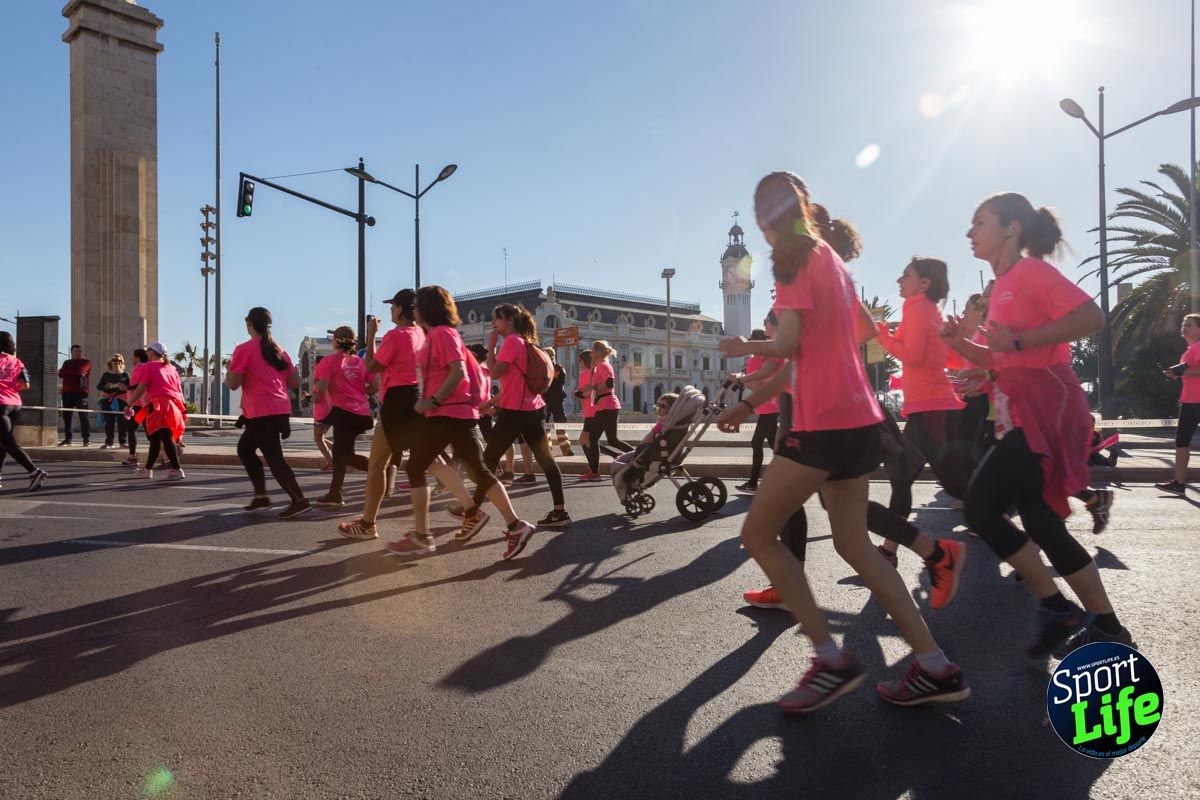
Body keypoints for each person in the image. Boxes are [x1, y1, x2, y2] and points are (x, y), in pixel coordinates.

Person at [718, 171, 969, 712]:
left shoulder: (790, 259)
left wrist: (744, 344)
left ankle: (830, 659)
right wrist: (754, 395)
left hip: (820, 423)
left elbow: (787, 343)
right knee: (854, 544)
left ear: (766, 217)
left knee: (758, 535)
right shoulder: (831, 261)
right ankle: (935, 666)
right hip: (860, 418)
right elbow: (841, 339)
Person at [740, 197, 964, 614]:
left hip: (815, 403)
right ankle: (932, 556)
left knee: (800, 504)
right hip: (821, 400)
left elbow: (827, 339)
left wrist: (803, 357)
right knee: (840, 509)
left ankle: (793, 590)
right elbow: (851, 332)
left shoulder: (813, 273)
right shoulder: (824, 275)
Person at [942, 191, 1133, 653]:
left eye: (980, 222)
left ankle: (1059, 609)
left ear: (1012, 228)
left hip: (1048, 407)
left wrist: (1020, 342)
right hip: (1024, 408)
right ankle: (1101, 623)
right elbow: (1004, 356)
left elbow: (1092, 317)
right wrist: (973, 361)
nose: (970, 232)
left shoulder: (1029, 272)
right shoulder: (1004, 285)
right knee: (1041, 524)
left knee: (981, 509)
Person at [389, 286, 536, 560]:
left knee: (417, 466)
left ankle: (422, 536)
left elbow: (457, 372)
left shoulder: (443, 334)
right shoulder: (438, 334)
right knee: (479, 471)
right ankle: (515, 526)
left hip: (447, 413)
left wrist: (431, 401)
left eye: (419, 304)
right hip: (456, 414)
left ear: (429, 307)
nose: (415, 309)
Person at [872, 257, 967, 562]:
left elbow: (911, 355)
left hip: (932, 411)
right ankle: (889, 550)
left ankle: (1021, 544)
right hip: (928, 408)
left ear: (923, 283)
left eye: (906, 275)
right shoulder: (928, 310)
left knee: (955, 484)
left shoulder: (918, 308)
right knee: (902, 477)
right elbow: (951, 359)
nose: (899, 280)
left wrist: (884, 338)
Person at [475, 303, 571, 528]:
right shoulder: (527, 342)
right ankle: (560, 512)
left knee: (488, 459)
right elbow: (514, 383)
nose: (493, 324)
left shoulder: (512, 342)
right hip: (533, 409)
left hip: (516, 412)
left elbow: (495, 373)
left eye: (496, 319)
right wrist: (491, 402)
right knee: (546, 460)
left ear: (508, 320)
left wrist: (491, 347)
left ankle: (471, 510)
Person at [227, 307, 310, 518]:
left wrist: (232, 368)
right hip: (278, 410)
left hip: (262, 412)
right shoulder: (278, 349)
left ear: (249, 325)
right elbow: (295, 381)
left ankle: (299, 500)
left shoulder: (244, 349)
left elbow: (233, 384)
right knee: (245, 449)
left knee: (274, 459)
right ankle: (261, 497)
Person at [313, 326, 378, 506]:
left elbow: (322, 388)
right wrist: (358, 390)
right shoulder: (360, 362)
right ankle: (335, 493)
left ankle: (381, 469)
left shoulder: (328, 362)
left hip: (344, 413)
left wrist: (316, 396)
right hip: (362, 415)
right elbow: (374, 387)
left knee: (344, 455)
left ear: (336, 341)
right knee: (341, 452)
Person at [734, 321, 783, 493]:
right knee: (776, 446)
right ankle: (779, 480)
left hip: (769, 407)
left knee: (757, 443)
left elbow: (759, 384)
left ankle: (754, 483)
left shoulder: (763, 358)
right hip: (769, 406)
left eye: (751, 340)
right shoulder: (765, 358)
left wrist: (743, 380)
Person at [126, 342, 186, 480]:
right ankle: (147, 469)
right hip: (172, 406)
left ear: (153, 352)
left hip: (159, 405)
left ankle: (176, 469)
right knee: (155, 438)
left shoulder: (148, 366)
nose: (146, 352)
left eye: (148, 350)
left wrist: (128, 404)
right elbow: (179, 390)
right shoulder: (171, 368)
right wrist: (183, 410)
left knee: (165, 436)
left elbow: (140, 389)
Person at [1156, 312, 1200, 495]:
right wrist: (1176, 374)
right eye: (1183, 324)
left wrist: (1182, 373)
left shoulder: (1198, 347)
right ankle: (1179, 484)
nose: (1185, 327)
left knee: (1181, 442)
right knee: (1181, 442)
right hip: (1189, 401)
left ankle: (1179, 483)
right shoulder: (1188, 351)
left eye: (1189, 324)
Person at [0, 331, 49, 491]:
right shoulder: (17, 361)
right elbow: (25, 385)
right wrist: (10, 388)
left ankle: (34, 471)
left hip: (0, 404)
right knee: (2, 443)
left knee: (8, 442)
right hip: (15, 403)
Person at [581, 340, 633, 475]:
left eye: (592, 352)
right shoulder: (600, 366)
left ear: (597, 352)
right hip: (605, 405)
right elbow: (593, 383)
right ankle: (638, 457)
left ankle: (594, 471)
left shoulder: (604, 365)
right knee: (612, 440)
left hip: (607, 406)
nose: (591, 354)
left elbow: (610, 384)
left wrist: (595, 388)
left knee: (592, 439)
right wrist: (592, 370)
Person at [575, 351, 602, 481]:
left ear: (584, 361)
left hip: (591, 412)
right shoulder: (593, 373)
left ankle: (594, 471)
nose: (578, 362)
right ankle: (593, 470)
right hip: (594, 411)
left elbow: (587, 393)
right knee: (590, 441)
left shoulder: (586, 373)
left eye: (579, 360)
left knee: (585, 440)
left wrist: (576, 393)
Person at [57, 344, 91, 446]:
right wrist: (66, 372)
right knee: (67, 416)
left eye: (79, 351)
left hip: (81, 393)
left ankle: (86, 439)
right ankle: (68, 439)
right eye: (76, 351)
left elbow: (79, 371)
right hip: (67, 392)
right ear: (72, 353)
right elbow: (60, 374)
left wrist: (65, 371)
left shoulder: (86, 362)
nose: (78, 353)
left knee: (83, 416)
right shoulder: (67, 362)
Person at [96, 354, 131, 450]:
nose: (117, 362)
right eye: (114, 360)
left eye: (119, 361)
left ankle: (123, 442)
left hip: (122, 400)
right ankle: (109, 442)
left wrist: (124, 388)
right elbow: (99, 386)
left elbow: (131, 387)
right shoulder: (106, 375)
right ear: (110, 363)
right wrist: (107, 387)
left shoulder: (125, 375)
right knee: (109, 421)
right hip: (108, 400)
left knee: (122, 421)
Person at [543, 346, 572, 456]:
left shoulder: (558, 368)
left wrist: (551, 375)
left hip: (557, 400)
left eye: (551, 356)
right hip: (545, 399)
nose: (550, 358)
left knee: (560, 424)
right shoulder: (544, 368)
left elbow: (561, 381)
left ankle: (566, 449)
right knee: (546, 425)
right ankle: (547, 449)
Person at [122, 349, 149, 466]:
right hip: (144, 404)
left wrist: (126, 387)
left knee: (132, 430)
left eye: (133, 356)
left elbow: (139, 386)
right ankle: (165, 457)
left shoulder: (139, 368)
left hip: (137, 404)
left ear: (138, 358)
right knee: (150, 432)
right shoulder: (147, 367)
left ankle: (132, 458)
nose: (131, 359)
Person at [308, 355, 334, 470]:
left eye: (314, 363)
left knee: (318, 439)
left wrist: (308, 398)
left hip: (322, 413)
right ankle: (339, 455)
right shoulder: (328, 377)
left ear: (320, 364)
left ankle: (332, 462)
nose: (313, 365)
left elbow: (316, 398)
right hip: (328, 411)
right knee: (320, 438)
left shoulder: (320, 379)